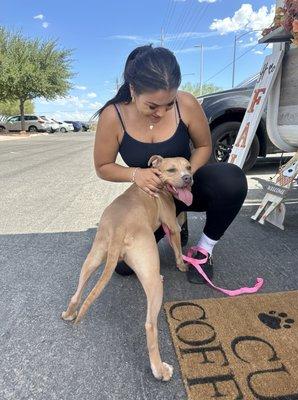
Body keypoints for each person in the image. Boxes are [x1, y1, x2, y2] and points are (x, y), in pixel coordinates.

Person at [93, 44, 248, 284]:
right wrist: (136, 174)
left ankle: (203, 251)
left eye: (169, 103)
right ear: (133, 90)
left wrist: (184, 178)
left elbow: (205, 146)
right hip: (153, 199)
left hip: (188, 188)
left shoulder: (186, 103)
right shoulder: (113, 116)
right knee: (124, 266)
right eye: (152, 106)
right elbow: (103, 166)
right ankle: (174, 221)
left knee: (231, 179)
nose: (162, 112)